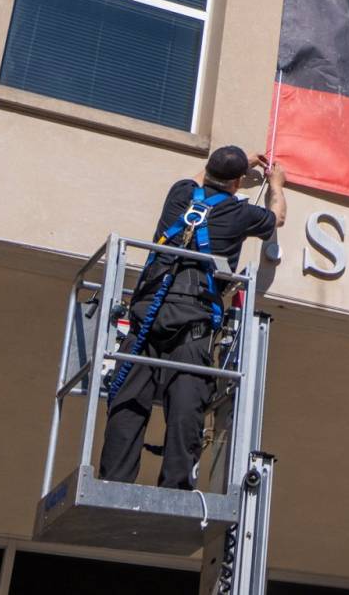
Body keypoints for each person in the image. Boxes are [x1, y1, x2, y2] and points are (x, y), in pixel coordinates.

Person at [99, 145, 287, 489]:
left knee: (129, 402)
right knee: (186, 408)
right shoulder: (239, 213)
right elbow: (277, 217)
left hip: (147, 318)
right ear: (236, 184)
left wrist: (237, 167)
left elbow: (199, 177)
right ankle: (175, 488)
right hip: (191, 326)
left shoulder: (180, 194)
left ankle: (113, 479)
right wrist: (275, 184)